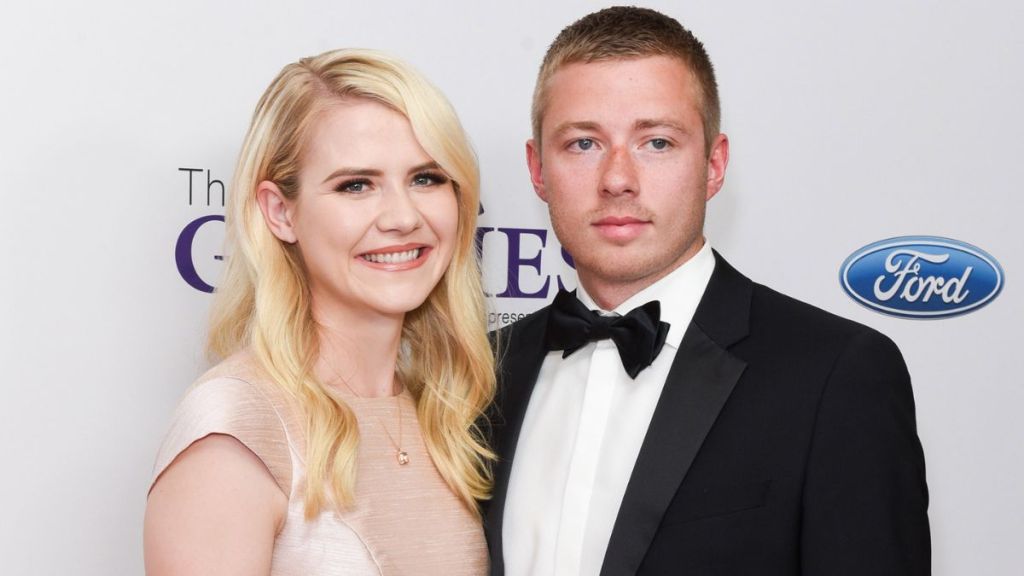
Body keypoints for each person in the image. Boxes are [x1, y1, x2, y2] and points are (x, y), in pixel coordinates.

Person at [485, 7, 930, 576]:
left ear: (714, 165)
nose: (618, 178)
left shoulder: (834, 375)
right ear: (537, 169)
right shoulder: (482, 374)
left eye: (658, 143)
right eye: (583, 144)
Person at [144, 48, 494, 575]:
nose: (403, 216)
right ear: (280, 211)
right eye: (356, 185)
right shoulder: (237, 424)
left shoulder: (448, 419)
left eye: (427, 178)